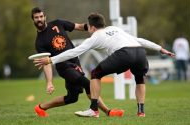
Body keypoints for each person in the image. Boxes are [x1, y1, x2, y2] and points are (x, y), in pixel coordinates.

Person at [34, 13, 175, 117]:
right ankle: (141, 112)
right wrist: (160, 49)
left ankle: (94, 109)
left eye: (88, 27)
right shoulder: (115, 28)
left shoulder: (94, 36)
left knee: (95, 73)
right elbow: (138, 39)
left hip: (124, 53)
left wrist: (51, 60)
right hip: (140, 52)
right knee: (139, 79)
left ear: (92, 27)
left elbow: (74, 52)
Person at [30, 7, 123, 117]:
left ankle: (41, 108)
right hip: (64, 66)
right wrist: (49, 82)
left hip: (75, 61)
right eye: (36, 18)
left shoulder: (58, 23)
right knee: (87, 83)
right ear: (33, 20)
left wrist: (97, 28)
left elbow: (78, 26)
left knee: (72, 98)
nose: (39, 19)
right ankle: (108, 112)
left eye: (41, 16)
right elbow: (46, 63)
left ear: (45, 17)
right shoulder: (39, 42)